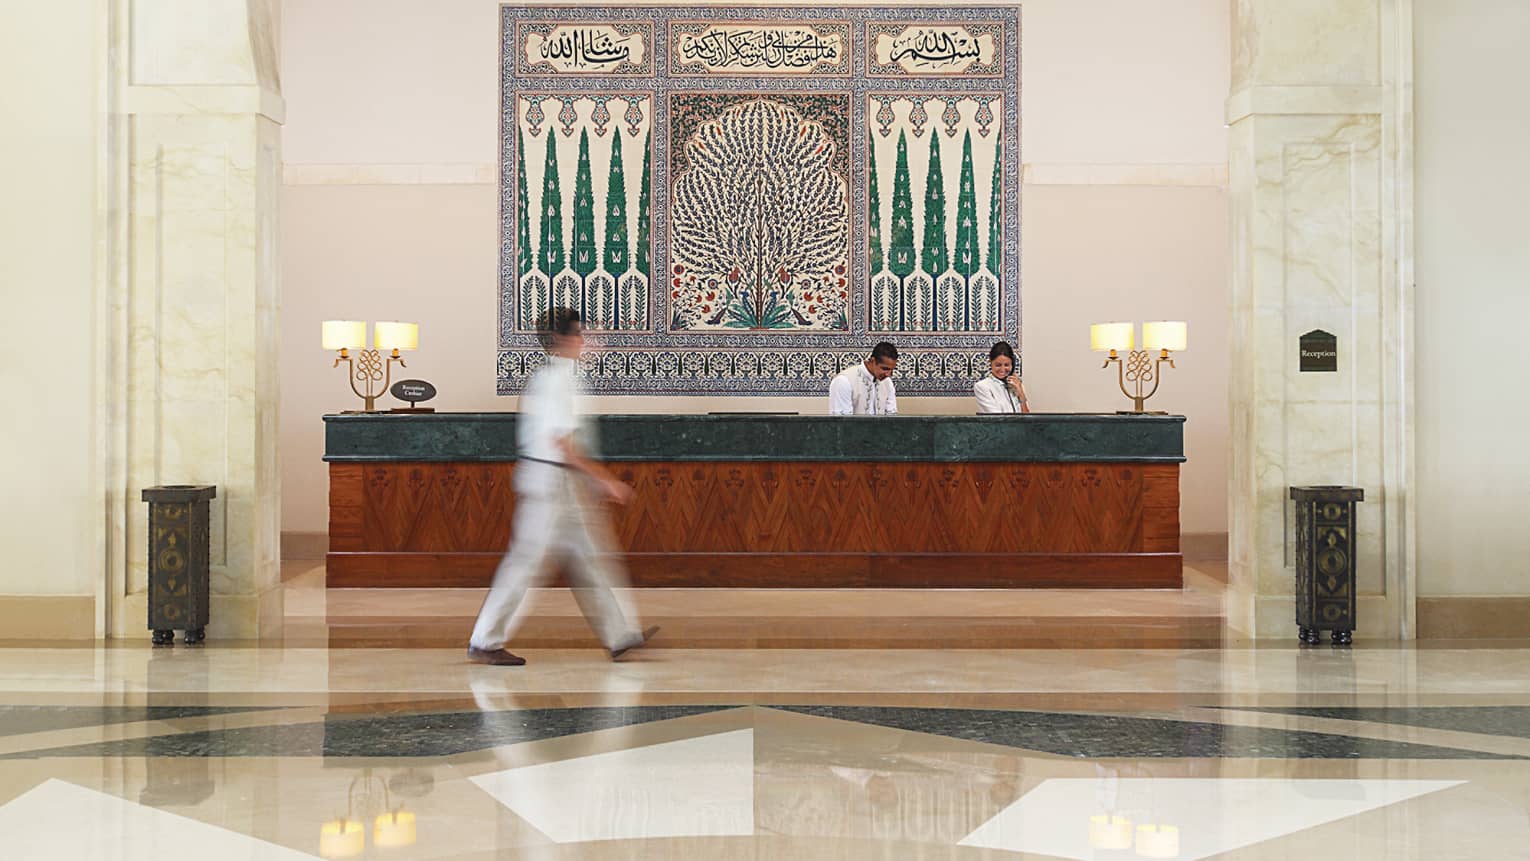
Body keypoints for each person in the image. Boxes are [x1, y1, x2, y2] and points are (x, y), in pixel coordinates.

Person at [467, 308, 658, 666]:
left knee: (592, 558)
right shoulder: (559, 380)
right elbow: (563, 443)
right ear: (566, 339)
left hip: (559, 480)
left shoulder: (554, 377)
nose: (585, 341)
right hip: (552, 482)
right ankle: (486, 639)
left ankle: (619, 635)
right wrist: (606, 480)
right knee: (526, 563)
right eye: (581, 334)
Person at [829, 342, 899, 415]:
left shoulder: (887, 383)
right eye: (885, 369)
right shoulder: (843, 381)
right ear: (873, 361)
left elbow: (892, 418)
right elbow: (841, 422)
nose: (888, 374)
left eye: (891, 370)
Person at [974, 341, 1030, 414]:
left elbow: (1027, 418)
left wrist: (1021, 393)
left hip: (1020, 426)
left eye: (1006, 365)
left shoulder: (1017, 385)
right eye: (998, 365)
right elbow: (997, 418)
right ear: (990, 363)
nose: (1003, 369)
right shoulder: (982, 386)